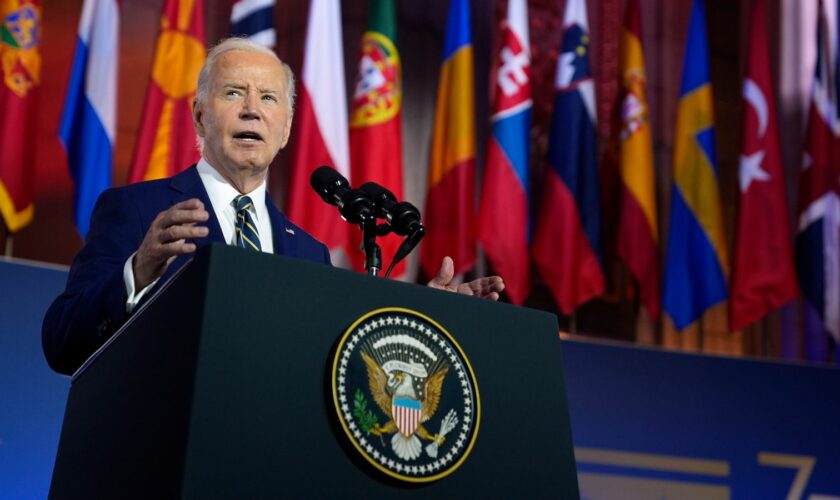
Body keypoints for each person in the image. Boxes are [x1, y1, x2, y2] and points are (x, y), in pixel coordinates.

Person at [43, 38, 504, 376]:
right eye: (233, 93)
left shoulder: (308, 253)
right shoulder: (137, 210)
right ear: (200, 115)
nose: (252, 110)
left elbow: (334, 369)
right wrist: (139, 270)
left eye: (268, 98)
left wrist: (424, 319)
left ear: (285, 130)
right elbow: (62, 343)